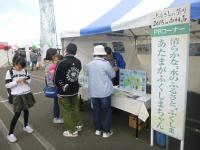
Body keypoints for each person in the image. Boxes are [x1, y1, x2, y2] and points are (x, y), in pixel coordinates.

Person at [54, 43, 82, 137]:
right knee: (75, 108)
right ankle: (78, 125)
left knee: (65, 111)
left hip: (64, 91)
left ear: (66, 50)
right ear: (76, 51)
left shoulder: (61, 62)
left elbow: (56, 79)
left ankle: (72, 131)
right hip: (75, 89)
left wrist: (61, 86)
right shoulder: (78, 61)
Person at [86, 45, 115, 138]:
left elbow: (88, 75)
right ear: (103, 54)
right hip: (104, 93)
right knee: (106, 112)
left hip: (94, 93)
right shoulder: (105, 63)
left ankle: (98, 129)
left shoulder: (89, 64)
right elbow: (113, 75)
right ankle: (106, 131)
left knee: (96, 111)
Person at [5, 55, 35, 143]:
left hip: (26, 93)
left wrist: (26, 80)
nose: (20, 68)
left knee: (26, 110)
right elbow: (7, 85)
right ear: (15, 63)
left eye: (22, 67)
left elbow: (30, 81)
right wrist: (16, 81)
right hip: (16, 95)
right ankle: (10, 133)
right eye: (19, 66)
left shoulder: (25, 71)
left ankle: (25, 126)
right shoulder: (9, 72)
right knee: (17, 114)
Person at [45, 48, 63, 124]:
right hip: (54, 86)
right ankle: (56, 117)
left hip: (52, 85)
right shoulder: (51, 65)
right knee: (56, 102)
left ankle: (57, 116)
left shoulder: (48, 64)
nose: (57, 55)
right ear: (52, 55)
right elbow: (54, 77)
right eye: (56, 54)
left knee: (56, 102)